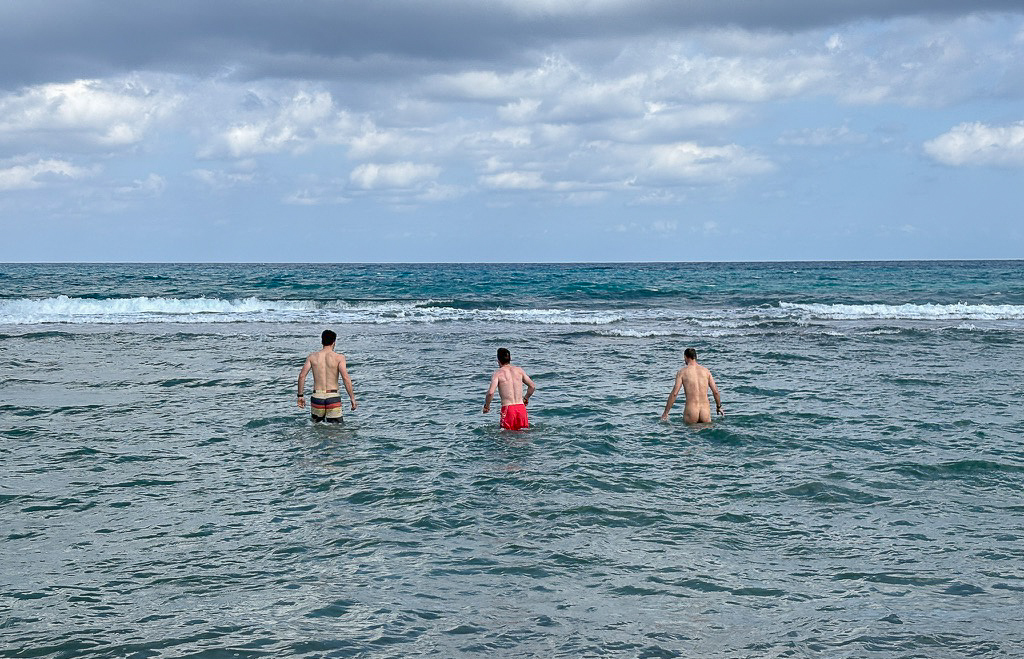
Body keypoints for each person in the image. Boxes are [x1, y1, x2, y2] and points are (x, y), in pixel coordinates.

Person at [297, 329, 357, 423]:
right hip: (333, 397)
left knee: (317, 428)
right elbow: (345, 378)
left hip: (317, 396)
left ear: (322, 341)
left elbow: (302, 376)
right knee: (336, 428)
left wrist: (300, 395)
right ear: (334, 342)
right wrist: (352, 398)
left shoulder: (312, 357)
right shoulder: (339, 357)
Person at [661, 347, 723, 423]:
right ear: (695, 357)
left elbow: (674, 393)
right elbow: (715, 391)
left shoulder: (682, 372)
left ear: (685, 357)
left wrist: (666, 413)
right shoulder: (706, 371)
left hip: (691, 411)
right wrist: (718, 407)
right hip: (705, 412)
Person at [483, 347, 536, 430]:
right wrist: (525, 399)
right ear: (510, 358)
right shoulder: (519, 371)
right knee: (524, 434)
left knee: (506, 435)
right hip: (521, 408)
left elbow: (490, 393)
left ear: (498, 361)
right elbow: (532, 386)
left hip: (508, 410)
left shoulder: (498, 374)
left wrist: (487, 406)